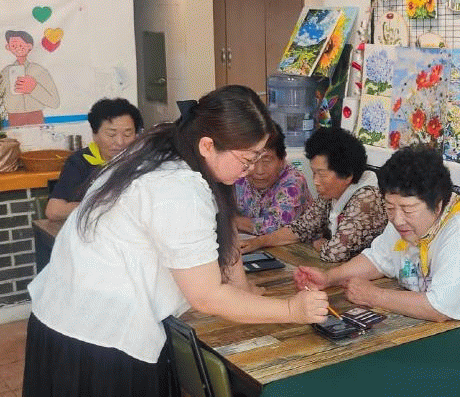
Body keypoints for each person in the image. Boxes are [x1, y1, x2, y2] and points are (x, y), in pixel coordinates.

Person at [23, 85, 329, 397]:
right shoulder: (177, 188)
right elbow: (207, 297)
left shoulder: (173, 142)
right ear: (208, 145)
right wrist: (291, 310)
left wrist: (243, 288)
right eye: (247, 160)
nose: (250, 171)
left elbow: (225, 222)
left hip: (63, 314)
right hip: (98, 338)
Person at [294, 145, 460, 321]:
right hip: (420, 327)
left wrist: (374, 296)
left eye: (408, 209)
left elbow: (440, 308)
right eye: (390, 208)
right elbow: (377, 259)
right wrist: (328, 278)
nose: (397, 219)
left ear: (437, 206)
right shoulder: (404, 221)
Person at [239, 127, 387, 262]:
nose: (315, 182)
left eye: (322, 175)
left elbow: (334, 253)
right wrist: (259, 242)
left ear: (347, 175)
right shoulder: (330, 193)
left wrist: (320, 244)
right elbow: (301, 228)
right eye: (314, 173)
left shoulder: (367, 199)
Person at [45, 98, 144, 221]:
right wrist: (104, 205)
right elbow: (54, 211)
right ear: (94, 134)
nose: (120, 142)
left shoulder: (144, 162)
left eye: (127, 134)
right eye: (111, 134)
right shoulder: (80, 162)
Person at [235, 122, 312, 235]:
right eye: (252, 160)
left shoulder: (294, 182)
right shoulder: (239, 174)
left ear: (282, 160)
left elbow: (276, 226)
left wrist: (233, 222)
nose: (259, 171)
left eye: (266, 161)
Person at [1, 30, 59, 126]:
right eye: (13, 46)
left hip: (36, 116)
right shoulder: (5, 72)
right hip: (14, 117)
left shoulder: (39, 70)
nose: (18, 48)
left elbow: (55, 102)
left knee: (36, 135)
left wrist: (34, 89)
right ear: (8, 47)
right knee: (16, 136)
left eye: (21, 45)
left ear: (29, 46)